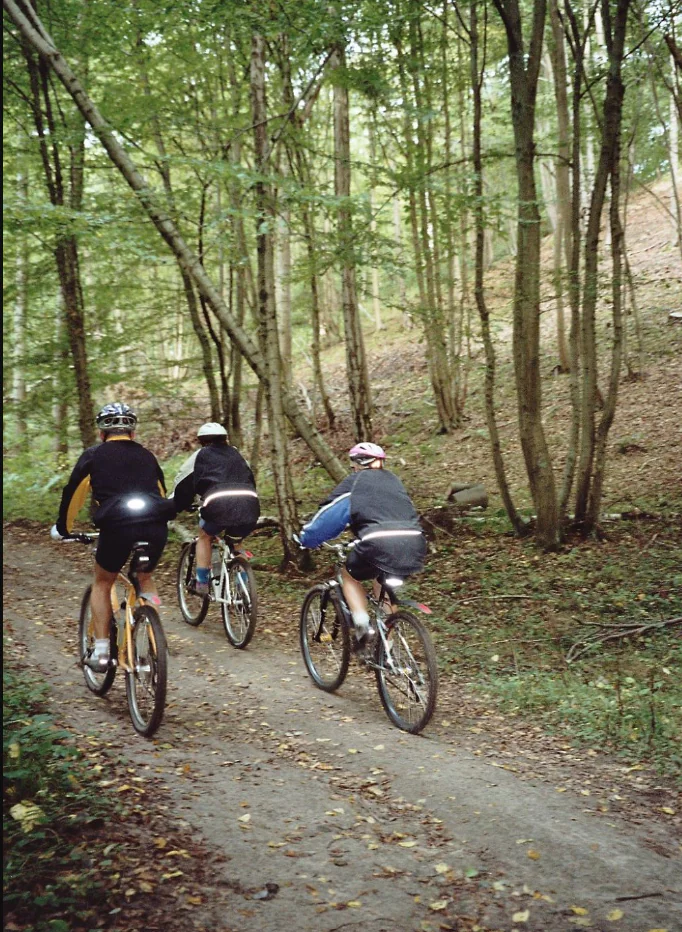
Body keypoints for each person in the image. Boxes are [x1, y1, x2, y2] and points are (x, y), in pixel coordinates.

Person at [51, 403, 174, 671]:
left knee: (103, 582)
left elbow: (73, 493)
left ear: (101, 432)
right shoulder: (148, 455)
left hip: (117, 526)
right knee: (145, 576)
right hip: (155, 525)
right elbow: (162, 492)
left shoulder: (94, 455)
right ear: (132, 432)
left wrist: (63, 527)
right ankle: (150, 633)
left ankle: (103, 653)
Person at [298, 442, 426, 640]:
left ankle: (362, 624)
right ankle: (387, 649)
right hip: (414, 543)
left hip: (377, 542)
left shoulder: (356, 483)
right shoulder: (394, 482)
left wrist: (307, 538)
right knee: (382, 582)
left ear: (356, 465)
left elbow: (329, 516)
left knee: (349, 575)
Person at [170, 423, 260, 595]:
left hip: (218, 504)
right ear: (225, 438)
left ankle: (202, 583)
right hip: (249, 505)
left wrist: (176, 504)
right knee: (236, 542)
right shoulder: (237, 454)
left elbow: (182, 482)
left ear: (201, 441)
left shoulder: (201, 455)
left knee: (204, 536)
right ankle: (244, 588)